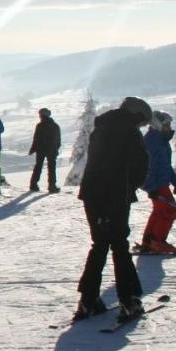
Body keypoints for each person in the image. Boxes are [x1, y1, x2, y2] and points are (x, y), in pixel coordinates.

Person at [74, 96, 152, 322]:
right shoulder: (129, 131)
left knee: (99, 245)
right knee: (119, 245)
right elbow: (140, 166)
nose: (142, 126)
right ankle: (129, 300)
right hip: (115, 196)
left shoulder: (101, 128)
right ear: (136, 115)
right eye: (142, 122)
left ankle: (87, 300)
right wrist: (129, 188)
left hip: (92, 195)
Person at [137, 111, 176, 254]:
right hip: (156, 184)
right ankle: (157, 242)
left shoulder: (161, 140)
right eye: (166, 125)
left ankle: (149, 241)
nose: (169, 128)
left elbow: (165, 165)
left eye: (169, 125)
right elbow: (148, 166)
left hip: (160, 183)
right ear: (157, 125)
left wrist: (175, 182)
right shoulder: (152, 141)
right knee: (169, 211)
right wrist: (151, 187)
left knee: (159, 211)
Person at [28, 107, 62, 193]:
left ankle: (33, 185)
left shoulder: (39, 126)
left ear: (41, 115)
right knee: (51, 168)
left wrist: (32, 149)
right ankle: (52, 186)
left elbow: (36, 139)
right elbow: (58, 140)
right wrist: (56, 149)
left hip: (40, 150)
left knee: (38, 166)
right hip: (51, 150)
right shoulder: (55, 126)